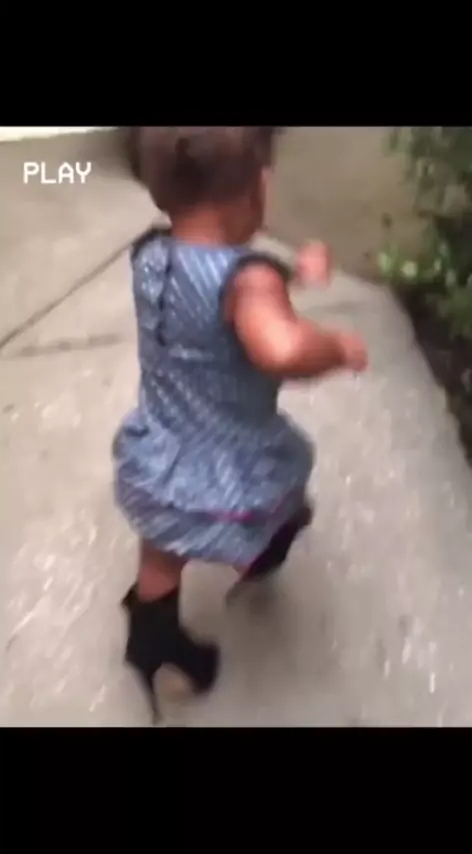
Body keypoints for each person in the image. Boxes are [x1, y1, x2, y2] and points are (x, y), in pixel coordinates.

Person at [113, 127, 368, 716]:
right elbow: (279, 345)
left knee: (163, 541)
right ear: (258, 188)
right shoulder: (250, 282)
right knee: (279, 505)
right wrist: (336, 347)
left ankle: (151, 637)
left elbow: (214, 283)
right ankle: (258, 552)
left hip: (159, 448)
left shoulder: (150, 254)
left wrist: (293, 274)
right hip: (227, 457)